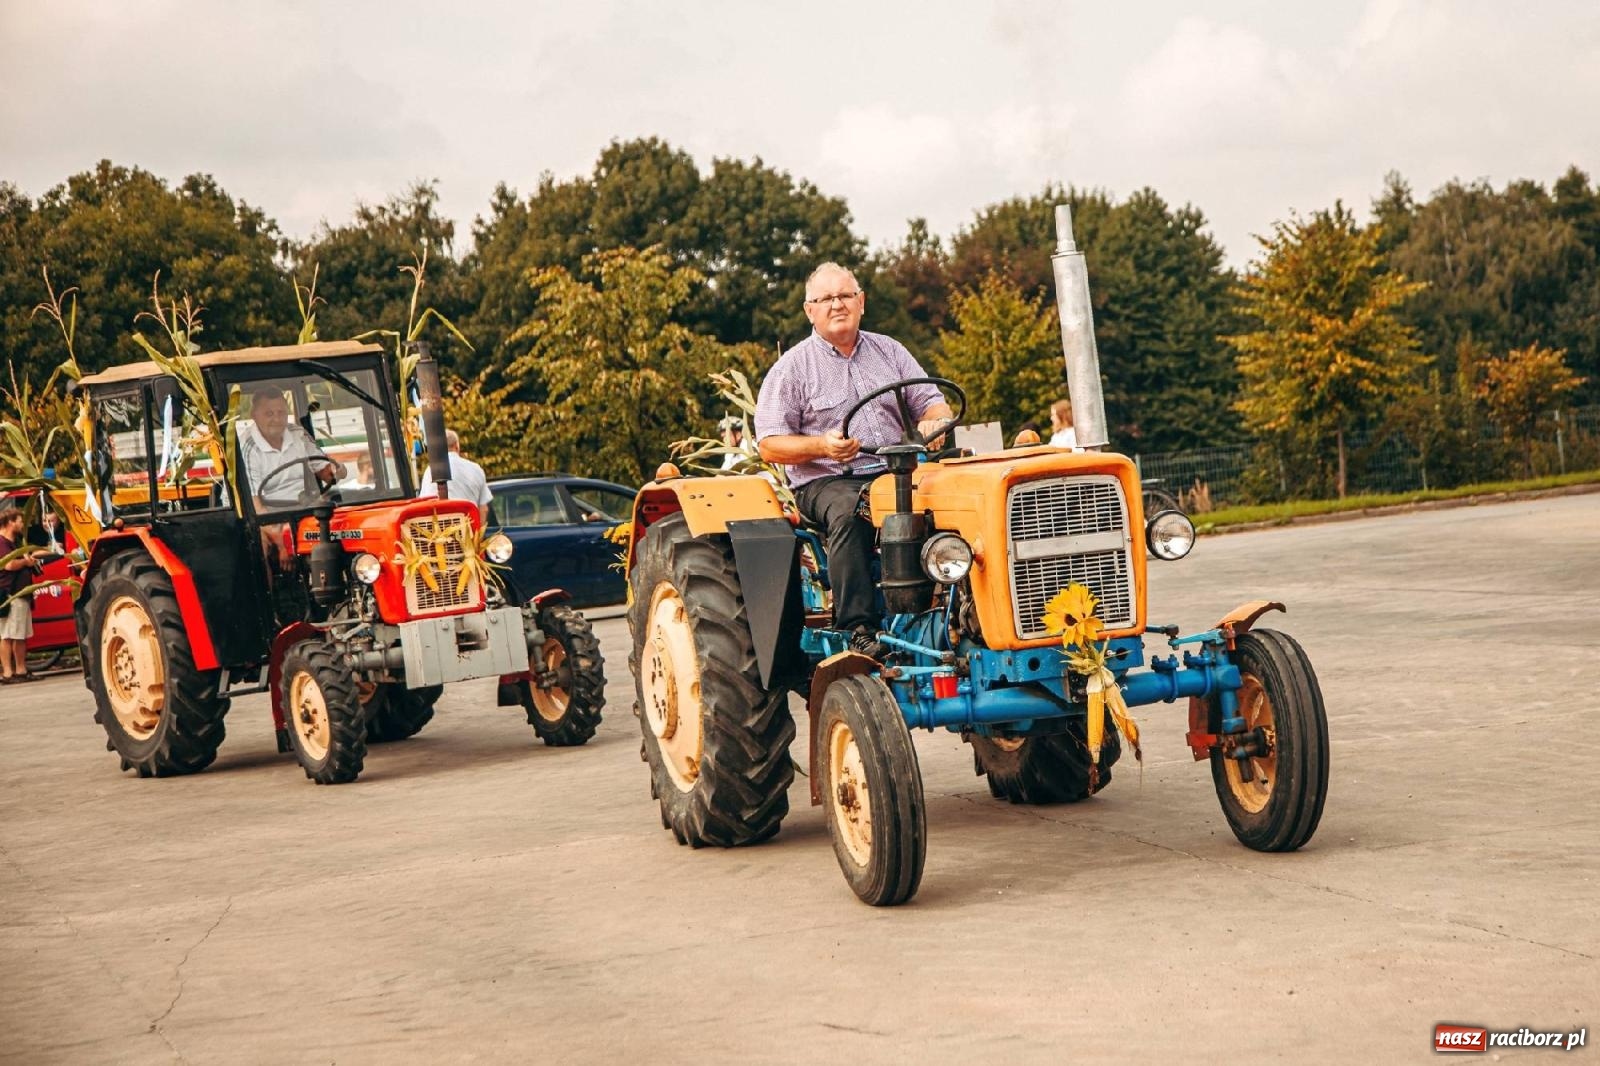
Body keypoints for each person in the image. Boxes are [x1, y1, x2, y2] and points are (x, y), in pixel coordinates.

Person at [755, 262, 954, 659]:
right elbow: (770, 444)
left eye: (845, 296)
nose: (837, 305)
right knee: (851, 512)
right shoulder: (793, 368)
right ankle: (858, 628)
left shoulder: (890, 351)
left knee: (953, 500)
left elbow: (932, 404)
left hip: (896, 470)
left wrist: (937, 425)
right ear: (809, 310)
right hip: (828, 480)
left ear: (861, 302)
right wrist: (821, 447)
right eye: (826, 299)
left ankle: (952, 609)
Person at [240, 387, 346, 510]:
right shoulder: (247, 448)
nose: (277, 419)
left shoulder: (298, 434)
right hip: (269, 512)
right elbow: (256, 508)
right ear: (254, 415)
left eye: (281, 412)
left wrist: (336, 470)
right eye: (269, 414)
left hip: (306, 506)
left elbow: (326, 473)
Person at [1, 506, 49, 684]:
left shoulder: (16, 541)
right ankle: (8, 672)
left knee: (20, 635)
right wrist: (26, 562)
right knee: (7, 635)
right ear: (11, 522)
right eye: (20, 521)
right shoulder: (1, 542)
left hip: (22, 595)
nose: (22, 524)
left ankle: (21, 669)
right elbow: (9, 565)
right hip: (10, 595)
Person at [417, 429, 493, 522]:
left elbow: (422, 506)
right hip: (469, 531)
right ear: (456, 445)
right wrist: (479, 535)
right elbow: (483, 509)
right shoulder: (476, 469)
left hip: (439, 532)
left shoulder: (430, 471)